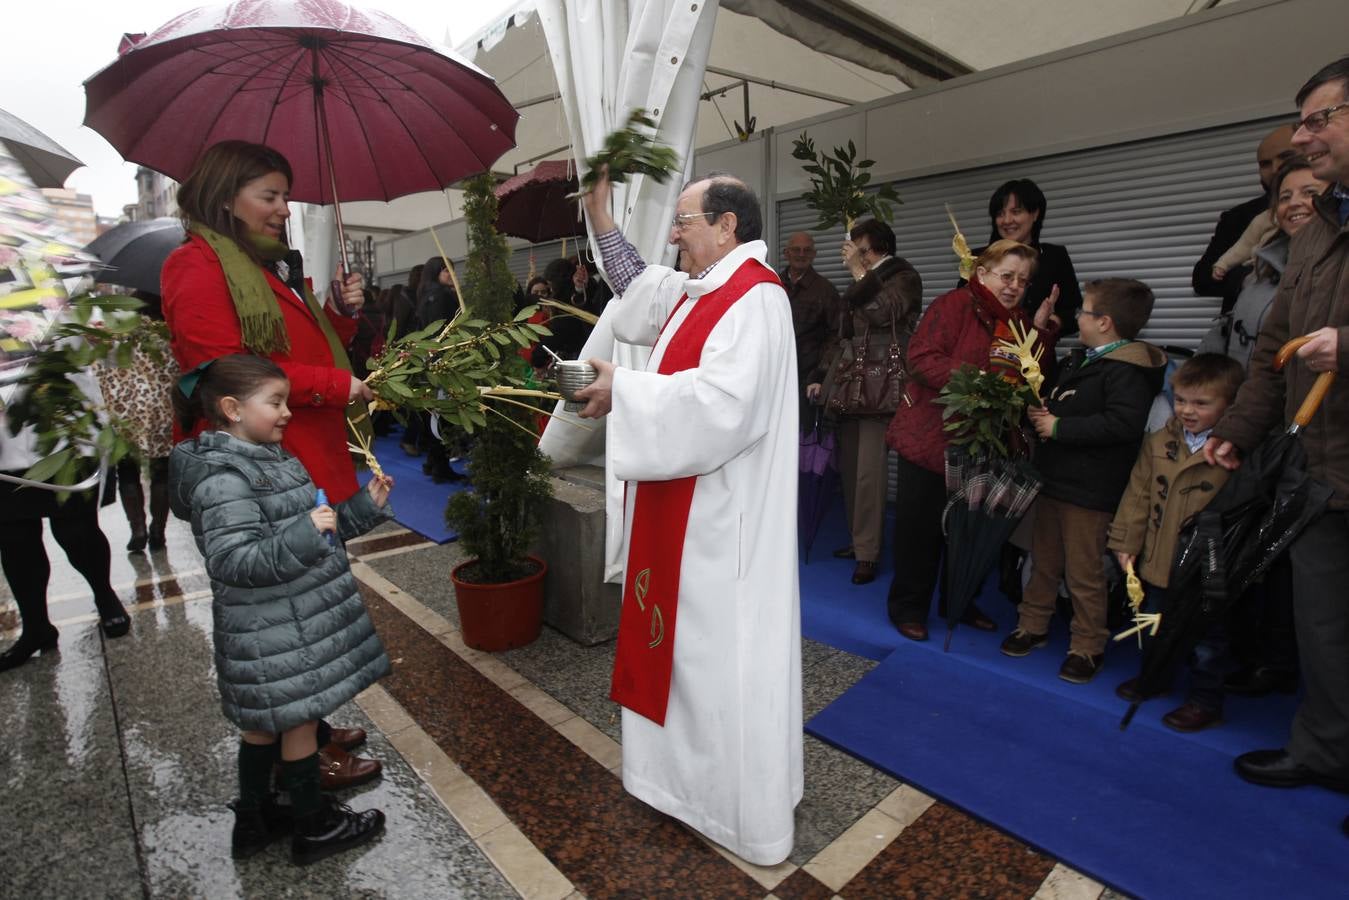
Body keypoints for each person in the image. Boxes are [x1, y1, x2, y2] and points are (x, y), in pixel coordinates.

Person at [572, 167, 802, 866]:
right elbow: (636, 286)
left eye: (683, 221)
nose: (673, 235)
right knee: (682, 660)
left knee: (716, 664)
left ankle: (734, 810)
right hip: (688, 515)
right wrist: (600, 215)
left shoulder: (756, 299)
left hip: (721, 527)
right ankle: (675, 785)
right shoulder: (706, 288)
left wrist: (626, 388)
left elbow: (724, 406)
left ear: (727, 226)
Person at [160, 140, 382, 790]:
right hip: (264, 472)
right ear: (225, 196)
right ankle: (299, 760)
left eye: (286, 195)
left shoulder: (263, 267)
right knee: (288, 621)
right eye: (270, 195)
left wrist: (338, 313)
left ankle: (310, 727)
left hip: (299, 455)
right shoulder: (195, 266)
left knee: (310, 609)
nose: (284, 208)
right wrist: (336, 386)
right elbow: (226, 371)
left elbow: (306, 348)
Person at [168, 354, 393, 864]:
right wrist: (306, 531)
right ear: (232, 409)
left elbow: (317, 527)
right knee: (297, 722)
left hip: (277, 624)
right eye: (275, 402)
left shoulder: (265, 457)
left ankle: (256, 818)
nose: (287, 412)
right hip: (274, 628)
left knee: (264, 726)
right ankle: (313, 825)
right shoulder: (226, 479)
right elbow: (233, 560)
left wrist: (363, 507)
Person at [1204, 58, 1349, 822]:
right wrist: (1236, 431)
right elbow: (1272, 349)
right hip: (1318, 469)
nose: (1301, 138)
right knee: (1322, 625)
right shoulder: (1317, 228)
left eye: (1317, 119)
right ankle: (1324, 749)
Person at [884, 240, 1060, 642]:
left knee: (969, 529)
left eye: (1023, 280)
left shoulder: (1018, 321)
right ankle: (908, 607)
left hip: (984, 443)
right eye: (1007, 276)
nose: (1014, 286)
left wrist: (1041, 332)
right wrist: (978, 381)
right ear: (982, 273)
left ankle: (958, 601)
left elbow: (1034, 376)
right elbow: (921, 359)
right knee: (920, 531)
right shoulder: (954, 305)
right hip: (931, 436)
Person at [1005, 278, 1166, 683]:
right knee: (1043, 563)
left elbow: (1122, 424)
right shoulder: (1082, 360)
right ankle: (1032, 624)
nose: (1077, 317)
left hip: (1090, 492)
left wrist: (1059, 427)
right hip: (1055, 481)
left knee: (1084, 573)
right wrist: (1047, 410)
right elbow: (1073, 405)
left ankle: (1088, 646)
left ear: (1105, 322)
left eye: (1083, 311)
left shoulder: (1128, 371)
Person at [1109, 354, 1245, 728]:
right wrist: (1126, 541)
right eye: (1181, 400)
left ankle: (1205, 700)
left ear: (1230, 405)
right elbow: (1138, 494)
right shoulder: (1159, 441)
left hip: (1208, 568)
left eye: (1201, 403)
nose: (1187, 410)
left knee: (1207, 641)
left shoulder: (1237, 453)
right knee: (1154, 623)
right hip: (1159, 556)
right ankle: (1155, 677)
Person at [806, 219, 920, 585]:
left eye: (862, 250)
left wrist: (858, 272)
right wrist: (821, 376)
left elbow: (884, 313)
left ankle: (868, 552)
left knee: (870, 472)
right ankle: (860, 542)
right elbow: (842, 336)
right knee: (851, 468)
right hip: (849, 384)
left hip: (880, 387)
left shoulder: (904, 277)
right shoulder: (862, 281)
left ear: (880, 248)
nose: (856, 256)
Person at [0, 379, 132, 671]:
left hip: (62, 425)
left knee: (76, 531)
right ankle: (36, 626)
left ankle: (104, 594)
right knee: (14, 538)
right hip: (4, 441)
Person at [1200, 157, 1329, 372]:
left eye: (1310, 193)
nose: (1293, 203)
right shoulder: (1262, 265)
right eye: (1285, 197)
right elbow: (1229, 330)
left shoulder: (1338, 268)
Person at [98, 290, 176, 552]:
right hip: (162, 412)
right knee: (161, 472)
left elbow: (100, 372)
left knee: (127, 472)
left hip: (124, 414)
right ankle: (158, 531)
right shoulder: (168, 334)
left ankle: (138, 529)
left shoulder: (114, 335)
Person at [1191, 124, 1297, 310]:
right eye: (1265, 164)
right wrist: (1256, 275)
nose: (1275, 168)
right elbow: (1203, 279)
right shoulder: (1240, 217)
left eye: (1286, 156)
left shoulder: (1333, 206)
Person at [973, 179, 1081, 336]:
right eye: (1000, 214)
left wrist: (1049, 322)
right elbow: (960, 309)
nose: (1007, 220)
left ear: (1035, 214)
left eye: (1016, 212)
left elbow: (1074, 313)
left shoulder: (1054, 257)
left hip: (1037, 349)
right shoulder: (977, 258)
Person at [781, 231, 841, 424]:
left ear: (814, 254)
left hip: (807, 380)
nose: (801, 254)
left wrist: (820, 375)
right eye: (796, 250)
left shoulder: (825, 290)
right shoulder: (773, 285)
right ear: (786, 253)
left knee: (803, 435)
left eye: (807, 250)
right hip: (775, 376)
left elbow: (836, 336)